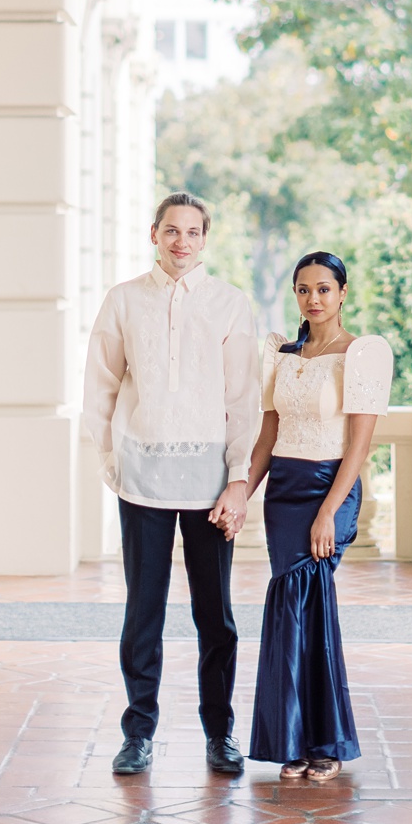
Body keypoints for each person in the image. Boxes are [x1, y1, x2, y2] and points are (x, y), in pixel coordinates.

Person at [82, 191, 262, 777]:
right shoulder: (124, 300)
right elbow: (101, 386)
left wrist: (238, 481)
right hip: (143, 483)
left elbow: (243, 401)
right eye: (172, 230)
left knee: (217, 617)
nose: (182, 241)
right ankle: (138, 734)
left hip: (210, 487)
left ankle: (220, 734)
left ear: (205, 240)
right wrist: (113, 463)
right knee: (143, 613)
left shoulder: (230, 305)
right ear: (154, 234)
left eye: (193, 231)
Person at [244, 251, 392, 781]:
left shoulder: (362, 355)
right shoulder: (281, 354)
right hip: (282, 492)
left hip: (330, 489)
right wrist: (242, 489)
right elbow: (267, 437)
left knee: (311, 607)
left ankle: (324, 743)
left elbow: (359, 447)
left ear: (343, 293)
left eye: (324, 289)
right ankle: (291, 740)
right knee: (288, 611)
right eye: (304, 290)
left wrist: (329, 511)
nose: (314, 299)